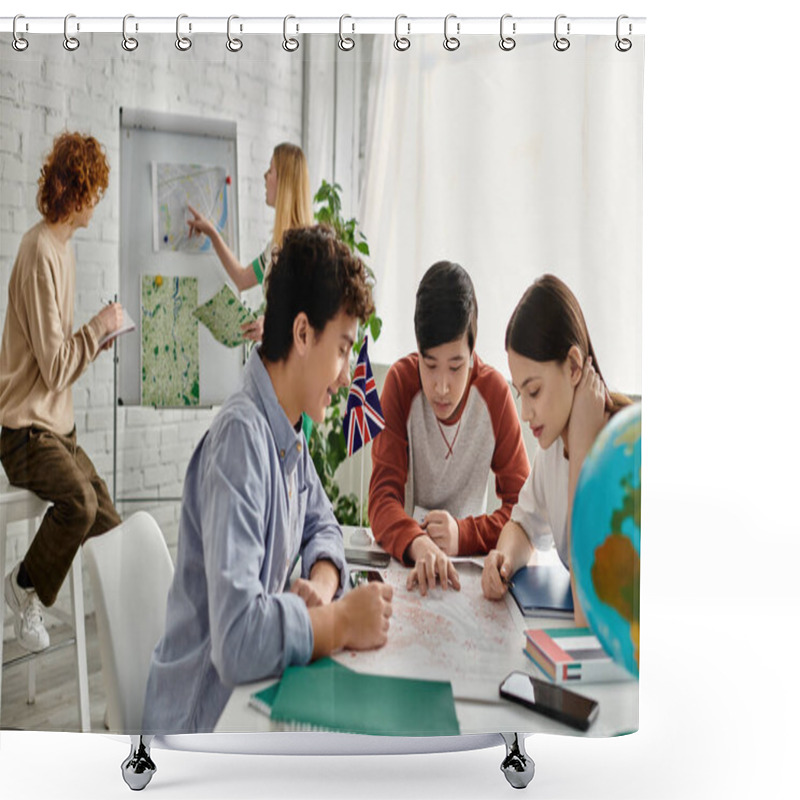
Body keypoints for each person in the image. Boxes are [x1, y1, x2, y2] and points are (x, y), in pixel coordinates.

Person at [142, 225, 393, 734]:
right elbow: (236, 644)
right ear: (303, 334)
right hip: (203, 724)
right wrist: (340, 623)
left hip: (248, 702)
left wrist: (322, 586)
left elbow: (323, 523)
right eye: (343, 348)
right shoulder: (242, 437)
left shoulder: (286, 426)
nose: (347, 375)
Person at [1, 131, 124, 653]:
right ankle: (24, 585)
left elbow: (62, 357)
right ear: (75, 191)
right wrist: (97, 328)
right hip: (24, 432)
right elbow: (53, 369)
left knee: (112, 527)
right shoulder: (37, 252)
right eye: (93, 189)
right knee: (79, 502)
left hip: (58, 428)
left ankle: (130, 635)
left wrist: (98, 336)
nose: (97, 201)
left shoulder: (63, 249)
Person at [369, 261, 529, 596]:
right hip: (410, 565)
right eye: (430, 365)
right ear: (418, 351)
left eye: (456, 366)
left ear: (473, 351)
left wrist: (463, 534)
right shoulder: (399, 383)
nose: (442, 387)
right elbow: (382, 499)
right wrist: (418, 542)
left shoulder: (495, 394)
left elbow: (523, 509)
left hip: (471, 575)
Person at [481, 274, 632, 625]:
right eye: (520, 393)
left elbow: (590, 615)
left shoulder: (622, 453)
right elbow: (522, 525)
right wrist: (503, 557)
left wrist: (581, 453)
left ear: (575, 367)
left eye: (534, 392)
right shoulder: (552, 449)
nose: (525, 412)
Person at [186, 142, 313, 343]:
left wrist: (270, 325)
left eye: (270, 171)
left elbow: (306, 319)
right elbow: (242, 278)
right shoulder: (275, 246)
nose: (265, 178)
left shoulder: (306, 251)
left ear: (284, 182)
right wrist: (212, 232)